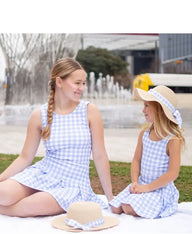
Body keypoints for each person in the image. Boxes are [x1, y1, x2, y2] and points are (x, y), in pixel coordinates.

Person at [0, 57, 113, 217]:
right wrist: (2, 178)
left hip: (72, 185)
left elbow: (100, 156)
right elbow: (25, 158)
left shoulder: (89, 111)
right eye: (77, 83)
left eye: (83, 83)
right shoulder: (39, 115)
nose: (81, 88)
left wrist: (110, 197)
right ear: (59, 82)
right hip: (43, 173)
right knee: (3, 194)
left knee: (30, 206)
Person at [110, 85, 185, 219]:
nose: (143, 110)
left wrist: (147, 188)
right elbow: (136, 160)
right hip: (142, 184)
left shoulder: (173, 140)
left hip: (159, 190)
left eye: (146, 106)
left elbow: (173, 173)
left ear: (160, 110)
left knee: (127, 207)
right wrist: (135, 183)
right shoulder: (144, 134)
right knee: (115, 208)